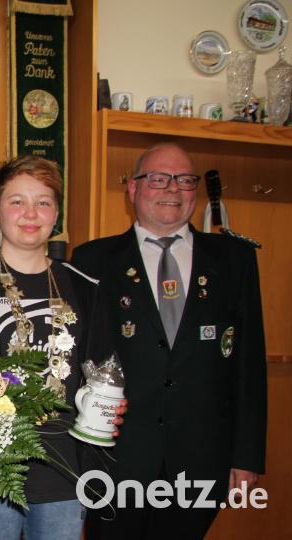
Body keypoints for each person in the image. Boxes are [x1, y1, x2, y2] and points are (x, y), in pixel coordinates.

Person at [72, 143, 267, 539]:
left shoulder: (234, 260)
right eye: (158, 179)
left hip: (201, 457)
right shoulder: (92, 260)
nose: (172, 190)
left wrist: (246, 456)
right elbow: (77, 359)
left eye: (185, 180)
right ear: (133, 190)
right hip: (115, 457)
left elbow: (249, 364)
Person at [0, 155, 117, 540]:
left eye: (43, 201)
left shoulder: (85, 287)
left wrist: (112, 401)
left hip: (65, 471)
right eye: (17, 201)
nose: (31, 213)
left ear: (57, 212)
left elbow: (106, 370)